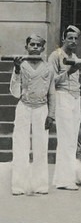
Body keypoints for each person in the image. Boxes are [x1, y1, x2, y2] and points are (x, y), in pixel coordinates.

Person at [10, 34, 55, 196]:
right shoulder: (21, 65)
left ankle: (40, 184)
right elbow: (15, 93)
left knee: (41, 146)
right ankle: (18, 185)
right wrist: (16, 70)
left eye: (38, 45)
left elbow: (52, 93)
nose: (35, 47)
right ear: (26, 47)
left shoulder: (49, 67)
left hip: (41, 109)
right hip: (24, 107)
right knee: (20, 145)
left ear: (43, 48)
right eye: (32, 45)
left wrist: (51, 114)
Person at [49, 25, 81, 190]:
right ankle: (65, 179)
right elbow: (50, 82)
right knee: (66, 138)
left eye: (76, 38)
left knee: (72, 138)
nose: (73, 41)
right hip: (62, 96)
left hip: (75, 98)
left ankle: (62, 177)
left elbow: (76, 81)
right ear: (64, 39)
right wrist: (68, 72)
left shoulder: (75, 57)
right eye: (70, 38)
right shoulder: (55, 56)